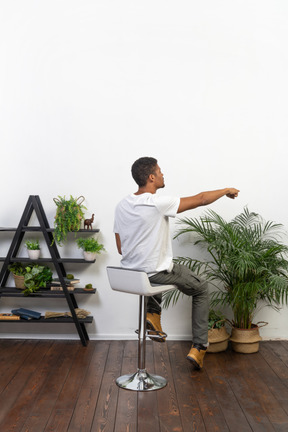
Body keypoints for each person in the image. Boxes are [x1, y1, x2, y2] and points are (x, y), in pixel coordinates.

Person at [113, 157, 239, 370]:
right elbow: (200, 199)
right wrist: (226, 190)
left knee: (162, 263)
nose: (163, 174)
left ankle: (153, 314)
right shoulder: (157, 203)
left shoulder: (122, 205)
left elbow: (120, 248)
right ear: (151, 177)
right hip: (152, 275)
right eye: (160, 171)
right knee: (201, 287)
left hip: (130, 274)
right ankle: (200, 347)